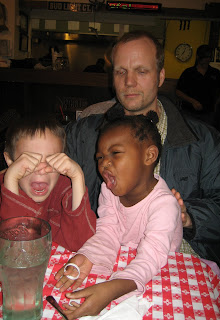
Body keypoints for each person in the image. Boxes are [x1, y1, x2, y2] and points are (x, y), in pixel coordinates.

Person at [65, 30, 220, 307]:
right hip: (106, 257)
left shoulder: (204, 141)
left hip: (182, 267)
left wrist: (188, 217)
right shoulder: (84, 134)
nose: (129, 82)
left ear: (161, 76)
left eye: (141, 70)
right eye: (120, 72)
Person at [55, 110, 183, 319]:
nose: (104, 163)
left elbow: (151, 258)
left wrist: (113, 288)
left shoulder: (164, 205)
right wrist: (87, 255)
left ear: (149, 156)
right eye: (100, 157)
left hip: (156, 269)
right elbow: (107, 231)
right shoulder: (109, 191)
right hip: (120, 259)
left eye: (115, 153)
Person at [0, 114, 96, 252]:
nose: (42, 170)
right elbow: (16, 251)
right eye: (30, 159)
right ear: (10, 160)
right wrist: (10, 181)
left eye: (51, 159)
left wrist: (78, 178)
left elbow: (80, 242)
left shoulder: (63, 188)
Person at [176, 44, 220, 125]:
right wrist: (193, 101)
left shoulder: (215, 73)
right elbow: (178, 92)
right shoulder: (189, 72)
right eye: (205, 57)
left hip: (208, 113)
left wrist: (216, 103)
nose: (207, 59)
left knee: (206, 134)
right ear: (198, 57)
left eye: (209, 57)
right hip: (189, 112)